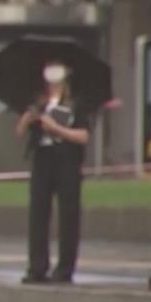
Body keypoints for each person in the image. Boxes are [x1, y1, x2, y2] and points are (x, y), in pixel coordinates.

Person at [15, 61, 90, 284]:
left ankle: (65, 268)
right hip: (42, 159)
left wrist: (56, 129)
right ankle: (37, 266)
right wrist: (27, 119)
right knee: (38, 213)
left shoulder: (77, 103)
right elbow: (20, 133)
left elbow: (83, 136)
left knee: (68, 214)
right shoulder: (39, 101)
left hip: (67, 160)